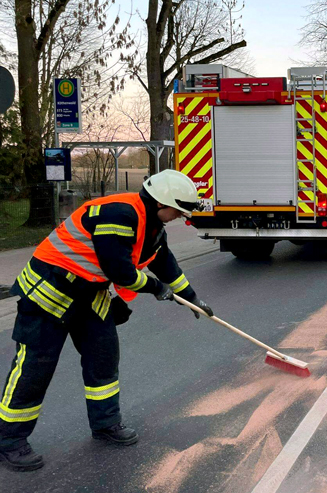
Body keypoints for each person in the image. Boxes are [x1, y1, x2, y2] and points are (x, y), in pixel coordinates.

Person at [0, 170, 213, 472]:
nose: (180, 216)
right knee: (36, 366)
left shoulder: (152, 225)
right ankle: (9, 441)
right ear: (160, 203)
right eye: (177, 210)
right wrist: (157, 289)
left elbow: (164, 262)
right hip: (49, 291)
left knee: (104, 357)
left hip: (89, 292)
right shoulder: (119, 214)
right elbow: (120, 271)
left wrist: (191, 297)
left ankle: (106, 424)